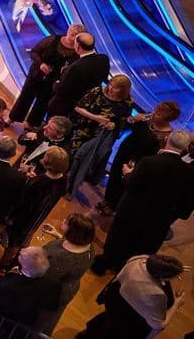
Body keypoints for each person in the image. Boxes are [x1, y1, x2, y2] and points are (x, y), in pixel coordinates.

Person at [92, 130, 194, 275]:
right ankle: (123, 273)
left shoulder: (149, 162)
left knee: (116, 242)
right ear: (185, 147)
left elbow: (131, 185)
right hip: (158, 223)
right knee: (138, 252)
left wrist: (127, 173)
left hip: (131, 213)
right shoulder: (190, 174)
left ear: (166, 139)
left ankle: (102, 266)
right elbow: (184, 211)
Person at [78, 253, 187, 339]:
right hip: (130, 321)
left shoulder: (139, 259)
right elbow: (157, 324)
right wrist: (176, 304)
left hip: (115, 301)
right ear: (163, 276)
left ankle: (87, 334)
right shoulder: (157, 295)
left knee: (107, 319)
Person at [0, 146, 70, 270]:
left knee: (14, 241)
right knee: (26, 238)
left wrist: (11, 217)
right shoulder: (64, 180)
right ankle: (18, 262)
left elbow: (24, 204)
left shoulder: (39, 183)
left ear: (48, 162)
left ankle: (3, 264)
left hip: (24, 218)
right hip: (40, 216)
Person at [102, 100, 181, 215]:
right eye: (155, 110)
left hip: (139, 161)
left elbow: (156, 152)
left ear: (167, 119)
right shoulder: (146, 119)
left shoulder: (167, 135)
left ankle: (114, 206)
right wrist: (134, 119)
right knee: (114, 174)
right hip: (125, 150)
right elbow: (127, 124)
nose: (154, 113)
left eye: (158, 114)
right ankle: (107, 199)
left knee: (124, 182)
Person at [28, 213, 96, 339]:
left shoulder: (60, 258)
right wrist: (57, 235)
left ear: (73, 232)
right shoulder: (89, 246)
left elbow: (44, 277)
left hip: (51, 292)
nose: (63, 221)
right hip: (69, 288)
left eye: (66, 222)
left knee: (37, 319)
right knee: (48, 319)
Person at [67, 74, 134, 199]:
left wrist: (114, 125)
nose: (111, 89)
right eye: (111, 85)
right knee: (73, 156)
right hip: (84, 130)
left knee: (87, 162)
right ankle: (66, 183)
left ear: (123, 90)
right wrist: (95, 118)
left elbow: (125, 121)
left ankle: (72, 187)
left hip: (102, 138)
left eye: (115, 88)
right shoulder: (97, 91)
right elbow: (78, 107)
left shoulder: (127, 101)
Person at [10, 23, 84, 125]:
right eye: (71, 35)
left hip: (52, 81)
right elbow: (34, 52)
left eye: (75, 38)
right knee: (25, 97)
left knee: (42, 103)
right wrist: (41, 64)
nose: (72, 39)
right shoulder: (53, 40)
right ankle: (13, 118)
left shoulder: (77, 53)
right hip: (36, 74)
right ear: (68, 31)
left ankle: (31, 125)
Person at [46, 32, 109, 118]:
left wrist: (57, 81)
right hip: (87, 105)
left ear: (78, 46)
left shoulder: (76, 67)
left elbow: (61, 90)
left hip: (64, 108)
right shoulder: (104, 59)